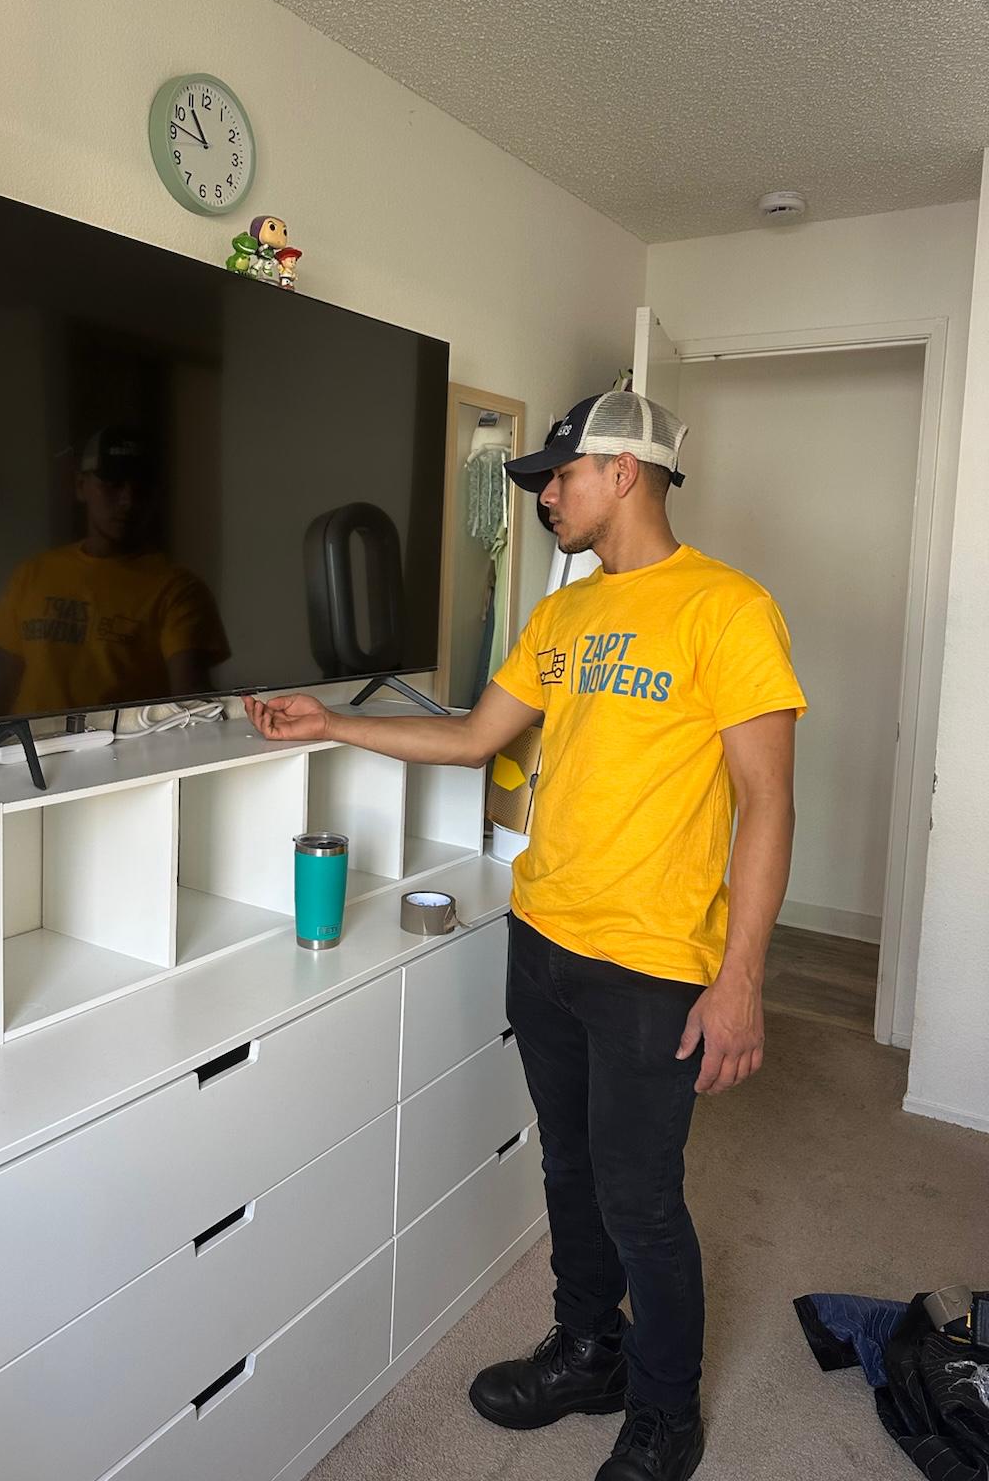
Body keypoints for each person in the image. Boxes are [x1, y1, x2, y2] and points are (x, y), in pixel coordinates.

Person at [244, 389, 807, 1481]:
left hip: (653, 965)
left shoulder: (727, 609)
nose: (548, 494)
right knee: (570, 1167)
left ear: (626, 472)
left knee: (641, 1196)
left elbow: (769, 801)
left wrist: (741, 980)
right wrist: (332, 721)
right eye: (544, 479)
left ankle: (665, 1410)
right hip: (543, 934)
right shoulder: (562, 616)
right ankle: (590, 1349)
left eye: (563, 474)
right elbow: (469, 740)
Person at [0, 426, 229, 717]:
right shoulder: (31, 575)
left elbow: (191, 701)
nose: (128, 501)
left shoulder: (179, 590)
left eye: (141, 488)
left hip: (120, 754)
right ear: (80, 486)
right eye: (112, 484)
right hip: (25, 752)